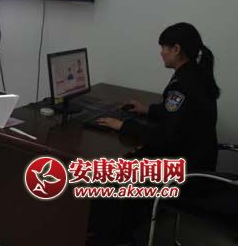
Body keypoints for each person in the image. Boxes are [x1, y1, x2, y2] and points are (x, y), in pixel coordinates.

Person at [92, 23, 220, 245]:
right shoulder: (195, 74)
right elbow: (179, 114)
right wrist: (148, 109)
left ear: (176, 49)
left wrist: (123, 125)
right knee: (133, 157)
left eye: (164, 48)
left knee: (112, 171)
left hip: (185, 175)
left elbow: (164, 138)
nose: (161, 53)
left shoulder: (182, 84)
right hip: (198, 163)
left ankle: (114, 237)